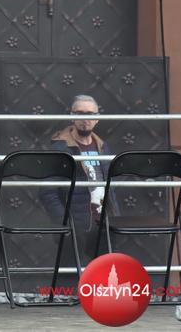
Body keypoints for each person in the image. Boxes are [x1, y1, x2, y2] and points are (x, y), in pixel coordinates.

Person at [40, 94, 118, 261]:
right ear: (72, 116)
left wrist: (116, 217)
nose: (85, 119)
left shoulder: (103, 146)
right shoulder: (61, 149)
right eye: (80, 113)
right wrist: (66, 223)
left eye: (90, 114)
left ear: (97, 118)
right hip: (76, 227)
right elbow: (47, 191)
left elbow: (110, 187)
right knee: (71, 273)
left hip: (104, 224)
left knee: (104, 272)